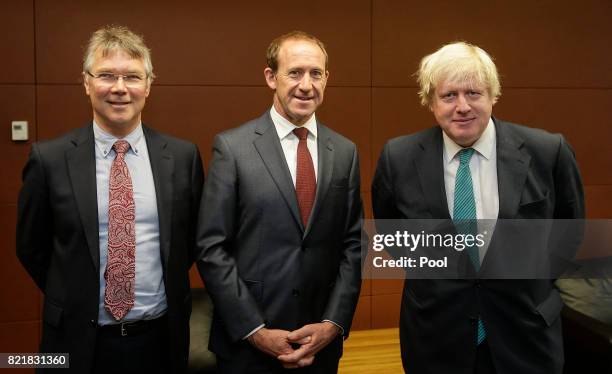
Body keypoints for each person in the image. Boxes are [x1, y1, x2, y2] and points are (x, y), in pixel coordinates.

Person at [372, 41, 584, 374]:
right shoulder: (398, 158)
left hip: (526, 332)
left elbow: (569, 234)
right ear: (430, 102)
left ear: (493, 96)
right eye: (449, 95)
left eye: (474, 93)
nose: (463, 107)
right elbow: (393, 235)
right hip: (435, 337)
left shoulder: (548, 151)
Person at [16, 25, 204, 373]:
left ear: (148, 85)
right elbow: (31, 246)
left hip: (160, 339)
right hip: (74, 340)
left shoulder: (182, 157)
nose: (119, 88)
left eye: (132, 76)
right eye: (106, 75)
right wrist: (73, 292)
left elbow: (189, 242)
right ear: (86, 83)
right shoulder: (49, 159)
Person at [196, 30, 363, 373]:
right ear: (271, 77)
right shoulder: (233, 148)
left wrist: (333, 323)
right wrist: (255, 331)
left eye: (316, 73)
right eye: (294, 72)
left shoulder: (345, 152)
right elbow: (211, 247)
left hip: (321, 347)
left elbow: (353, 245)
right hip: (249, 348)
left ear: (327, 79)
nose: (306, 84)